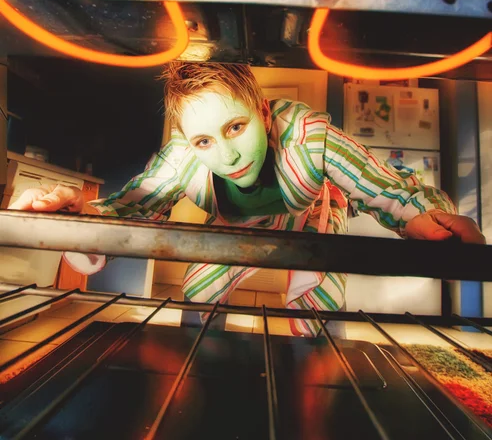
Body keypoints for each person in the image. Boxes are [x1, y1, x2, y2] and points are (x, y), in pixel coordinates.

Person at [10, 63, 485, 336]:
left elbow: (381, 185)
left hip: (312, 216)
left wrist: (427, 216)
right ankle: (200, 366)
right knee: (199, 292)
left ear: (262, 112)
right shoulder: (182, 159)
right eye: (204, 141)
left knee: (317, 315)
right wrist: (79, 214)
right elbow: (135, 205)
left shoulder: (310, 137)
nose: (228, 153)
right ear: (187, 142)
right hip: (242, 229)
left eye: (235, 127)